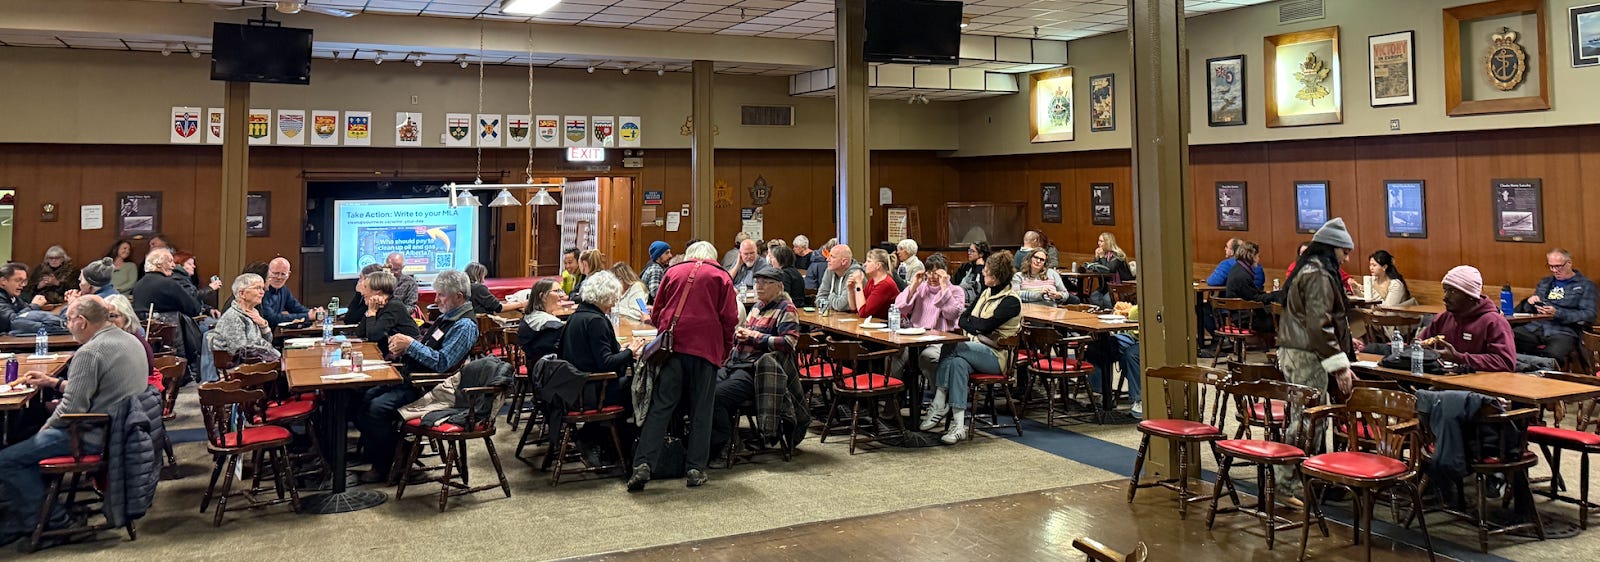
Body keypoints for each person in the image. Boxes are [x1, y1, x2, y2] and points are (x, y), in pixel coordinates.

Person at [0, 296, 147, 546]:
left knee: (7, 459)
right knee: (25, 435)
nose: (67, 325)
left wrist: (45, 429)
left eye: (68, 320)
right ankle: (28, 511)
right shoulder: (129, 340)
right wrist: (54, 382)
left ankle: (54, 520)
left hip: (91, 435)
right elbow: (99, 386)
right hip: (119, 430)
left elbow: (71, 408)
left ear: (81, 321)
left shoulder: (89, 352)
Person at [629, 241, 739, 492]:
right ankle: (695, 469)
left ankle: (643, 464)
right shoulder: (720, 276)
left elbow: (657, 312)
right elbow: (730, 318)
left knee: (661, 406)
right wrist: (724, 349)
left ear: (690, 255)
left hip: (673, 349)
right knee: (702, 409)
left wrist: (666, 332)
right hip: (706, 350)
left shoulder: (673, 271)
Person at [358, 269, 479, 484]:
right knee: (361, 398)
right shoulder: (447, 317)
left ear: (458, 296)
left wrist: (411, 345)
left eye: (441, 295)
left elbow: (443, 363)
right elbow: (427, 347)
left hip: (432, 389)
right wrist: (402, 350)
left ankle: (391, 464)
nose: (436, 299)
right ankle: (394, 453)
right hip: (413, 378)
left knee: (377, 408)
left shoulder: (464, 325)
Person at [1275, 218, 1357, 498]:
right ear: (1331, 248)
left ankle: (1298, 480)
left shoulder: (1307, 269)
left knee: (1303, 418)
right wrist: (1340, 366)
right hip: (1306, 354)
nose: (1346, 259)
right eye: (1344, 252)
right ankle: (1287, 484)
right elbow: (1319, 325)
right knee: (1308, 420)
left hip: (1296, 351)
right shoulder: (1319, 274)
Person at [923, 252, 1021, 444]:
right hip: (975, 349)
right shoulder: (986, 293)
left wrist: (975, 325)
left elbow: (985, 326)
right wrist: (976, 325)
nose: (983, 273)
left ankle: (939, 400)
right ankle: (959, 426)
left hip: (997, 357)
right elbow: (963, 319)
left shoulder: (1011, 301)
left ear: (996, 277)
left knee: (952, 345)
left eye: (986, 271)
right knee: (958, 364)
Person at [710, 268, 799, 454]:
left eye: (765, 282)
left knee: (716, 396)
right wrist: (739, 334)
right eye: (757, 282)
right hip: (735, 363)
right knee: (703, 389)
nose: (759, 286)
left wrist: (755, 337)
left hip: (756, 370)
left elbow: (788, 343)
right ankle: (712, 440)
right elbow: (745, 332)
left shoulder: (786, 309)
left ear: (779, 286)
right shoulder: (758, 306)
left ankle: (726, 443)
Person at [1419, 266, 1516, 373]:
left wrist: (1459, 358)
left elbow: (1506, 362)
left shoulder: (1494, 322)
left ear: (1470, 295)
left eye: (1452, 291)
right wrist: (1416, 347)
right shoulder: (1443, 318)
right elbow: (1420, 343)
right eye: (1445, 290)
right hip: (1444, 377)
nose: (1445, 297)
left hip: (1480, 381)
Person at [1513, 248, 1598, 363]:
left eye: (1558, 266)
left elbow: (1589, 315)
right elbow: (1528, 310)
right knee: (1507, 338)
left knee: (1553, 354)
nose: (1554, 270)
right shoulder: (1545, 282)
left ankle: (1541, 369)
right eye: (1551, 266)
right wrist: (1530, 303)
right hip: (1535, 327)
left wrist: (1557, 313)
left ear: (1569, 263)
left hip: (1562, 331)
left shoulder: (1586, 285)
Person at [894, 254, 966, 384]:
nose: (932, 277)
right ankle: (896, 393)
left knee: (927, 357)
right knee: (894, 355)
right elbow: (900, 308)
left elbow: (952, 314)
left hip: (940, 341)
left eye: (936, 273)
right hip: (914, 338)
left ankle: (939, 391)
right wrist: (913, 286)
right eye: (929, 272)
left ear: (945, 273)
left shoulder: (956, 291)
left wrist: (944, 288)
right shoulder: (921, 288)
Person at [208, 273, 281, 368]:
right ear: (242, 293)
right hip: (240, 369)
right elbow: (241, 351)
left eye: (262, 288)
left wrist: (263, 325)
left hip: (257, 361)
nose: (262, 292)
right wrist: (272, 353)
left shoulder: (253, 313)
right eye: (258, 288)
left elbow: (267, 341)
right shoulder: (233, 317)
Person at [1086, 301, 1143, 417]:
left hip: (1149, 339)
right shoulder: (1137, 307)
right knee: (1096, 347)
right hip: (1131, 336)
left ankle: (1139, 400)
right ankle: (1100, 392)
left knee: (1130, 355)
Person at [353, 270, 421, 356]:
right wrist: (370, 310)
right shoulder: (378, 305)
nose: (362, 292)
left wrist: (372, 312)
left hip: (408, 357)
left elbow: (374, 337)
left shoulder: (394, 306)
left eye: (365, 287)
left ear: (377, 291)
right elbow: (360, 333)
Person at [106, 294, 164, 391]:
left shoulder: (130, 342)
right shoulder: (115, 338)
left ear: (126, 317)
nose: (107, 321)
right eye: (104, 317)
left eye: (112, 316)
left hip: (137, 394)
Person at [131, 248, 204, 320]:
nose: (173, 265)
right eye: (170, 261)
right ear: (158, 264)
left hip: (144, 326)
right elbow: (193, 309)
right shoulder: (169, 284)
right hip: (170, 326)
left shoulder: (138, 285)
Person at [1220, 241, 1274, 331]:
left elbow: (1252, 294)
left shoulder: (1238, 269)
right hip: (1244, 318)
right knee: (1279, 321)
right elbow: (1254, 298)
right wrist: (1273, 296)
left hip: (1242, 315)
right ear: (1251, 256)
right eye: (1257, 256)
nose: (1258, 259)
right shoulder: (1242, 275)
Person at [257, 256, 318, 326]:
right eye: (275, 273)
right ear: (268, 273)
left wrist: (314, 312)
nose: (279, 277)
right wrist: (307, 316)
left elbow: (296, 308)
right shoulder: (261, 291)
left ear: (288, 275)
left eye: (283, 274)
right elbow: (271, 318)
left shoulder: (283, 289)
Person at [517, 279, 566, 363]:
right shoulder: (548, 324)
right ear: (543, 296)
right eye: (556, 291)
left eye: (561, 291)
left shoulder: (531, 316)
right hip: (549, 368)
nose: (562, 295)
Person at [1348, 250, 1415, 307]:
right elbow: (1367, 298)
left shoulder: (1395, 284)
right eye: (1370, 265)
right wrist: (1355, 288)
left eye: (1374, 265)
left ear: (1384, 267)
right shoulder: (1373, 279)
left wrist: (1371, 300)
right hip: (1375, 313)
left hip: (1393, 316)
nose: (1371, 268)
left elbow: (1389, 307)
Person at [848, 249, 900, 319]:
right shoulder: (872, 281)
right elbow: (855, 309)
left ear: (878, 265)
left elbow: (863, 313)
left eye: (869, 261)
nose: (865, 264)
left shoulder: (885, 284)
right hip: (874, 322)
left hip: (888, 324)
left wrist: (858, 284)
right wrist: (850, 290)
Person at [815, 244, 863, 313]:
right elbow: (819, 299)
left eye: (832, 257)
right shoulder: (830, 270)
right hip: (834, 316)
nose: (827, 259)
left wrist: (830, 296)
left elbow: (841, 306)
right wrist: (833, 303)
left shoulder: (855, 275)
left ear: (844, 261)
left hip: (851, 317)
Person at [0, 263, 45, 335]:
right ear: (3, 281)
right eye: (18, 280)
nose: (23, 285)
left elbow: (27, 314)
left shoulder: (15, 298)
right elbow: (13, 321)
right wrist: (34, 305)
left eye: (24, 281)